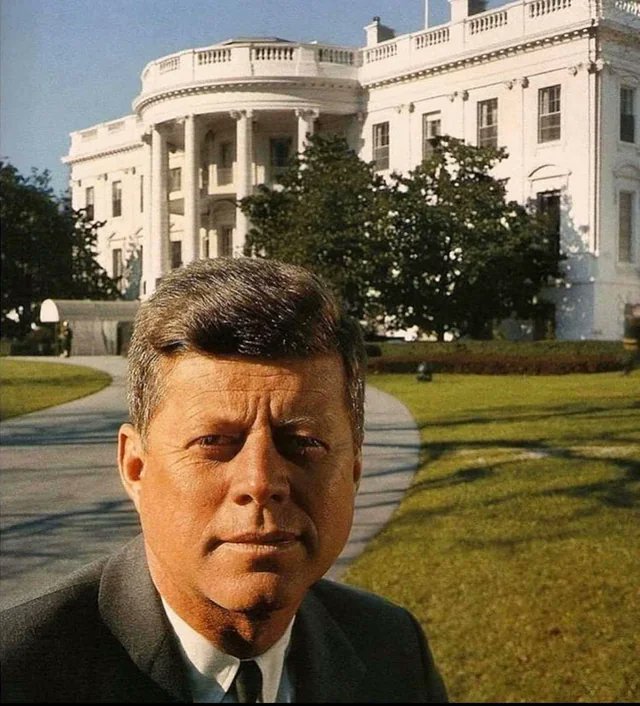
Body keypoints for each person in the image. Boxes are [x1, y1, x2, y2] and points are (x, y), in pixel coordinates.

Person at [0, 258, 448, 703]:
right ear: (135, 467)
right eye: (213, 441)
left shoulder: (391, 647)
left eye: (304, 442)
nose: (261, 481)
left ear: (353, 471)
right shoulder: (18, 672)